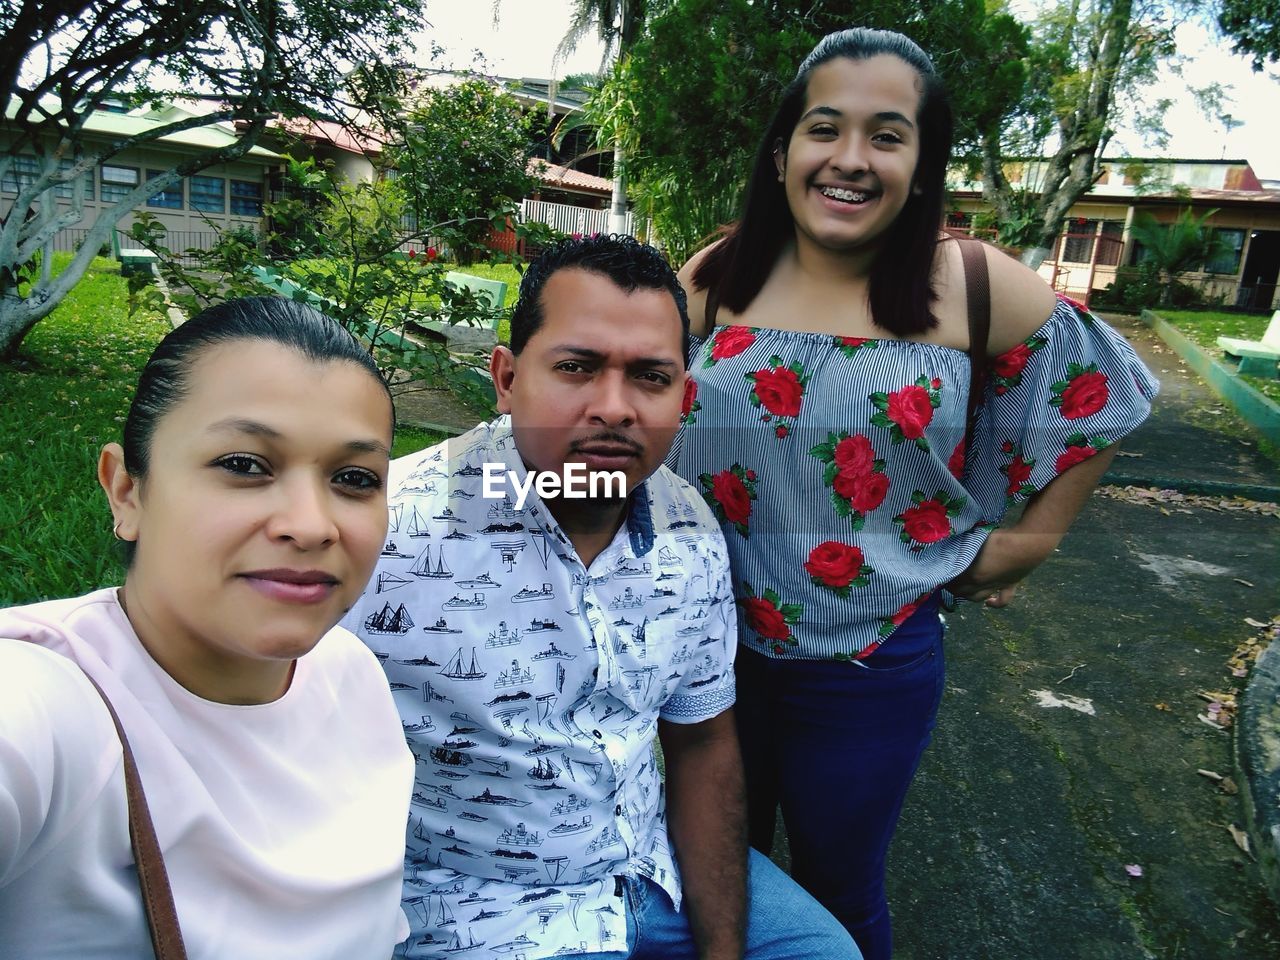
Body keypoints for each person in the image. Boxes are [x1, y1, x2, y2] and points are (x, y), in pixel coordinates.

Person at [672, 27, 1159, 960]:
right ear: (785, 154)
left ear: (925, 162)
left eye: (887, 135)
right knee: (711, 876)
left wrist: (1036, 538)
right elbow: (630, 411)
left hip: (870, 665)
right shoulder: (719, 274)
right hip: (705, 651)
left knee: (837, 891)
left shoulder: (971, 285)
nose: (850, 160)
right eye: (825, 129)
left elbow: (1110, 392)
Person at [344, 234, 859, 960]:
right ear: (507, 376)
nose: (614, 407)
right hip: (479, 905)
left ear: (684, 399)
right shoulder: (386, 531)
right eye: (577, 368)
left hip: (651, 865)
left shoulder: (689, 529)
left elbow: (701, 739)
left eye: (649, 378)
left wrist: (721, 953)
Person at [0, 297, 415, 958]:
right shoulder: (46, 708)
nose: (310, 524)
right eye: (244, 465)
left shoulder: (353, 673)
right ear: (127, 492)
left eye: (354, 478)